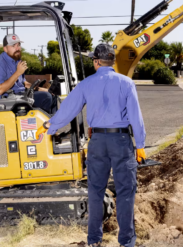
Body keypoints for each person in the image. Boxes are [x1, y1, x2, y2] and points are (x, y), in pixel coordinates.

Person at [35, 44, 146, 247]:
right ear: (111, 62)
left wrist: (48, 125)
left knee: (95, 191)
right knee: (125, 192)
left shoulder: (86, 84)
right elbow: (136, 116)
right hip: (121, 141)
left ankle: (94, 240)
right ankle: (126, 242)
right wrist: (140, 144)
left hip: (97, 143)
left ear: (96, 62)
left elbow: (69, 109)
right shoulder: (127, 83)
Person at [0, 34, 56, 113]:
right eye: (13, 45)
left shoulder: (17, 61)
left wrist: (45, 90)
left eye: (18, 45)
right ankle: (46, 124)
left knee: (52, 96)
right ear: (5, 49)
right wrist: (17, 73)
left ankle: (52, 123)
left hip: (21, 95)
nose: (17, 48)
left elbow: (25, 84)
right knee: (46, 97)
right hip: (9, 101)